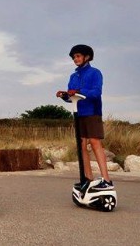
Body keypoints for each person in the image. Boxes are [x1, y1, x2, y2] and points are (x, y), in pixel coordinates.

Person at [56, 44, 113, 189]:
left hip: (92, 112)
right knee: (81, 146)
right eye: (74, 57)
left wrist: (78, 91)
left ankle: (106, 180)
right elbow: (71, 97)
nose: (75, 59)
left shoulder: (95, 73)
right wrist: (64, 96)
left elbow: (96, 92)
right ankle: (87, 179)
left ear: (87, 57)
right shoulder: (73, 76)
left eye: (78, 56)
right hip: (78, 113)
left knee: (94, 143)